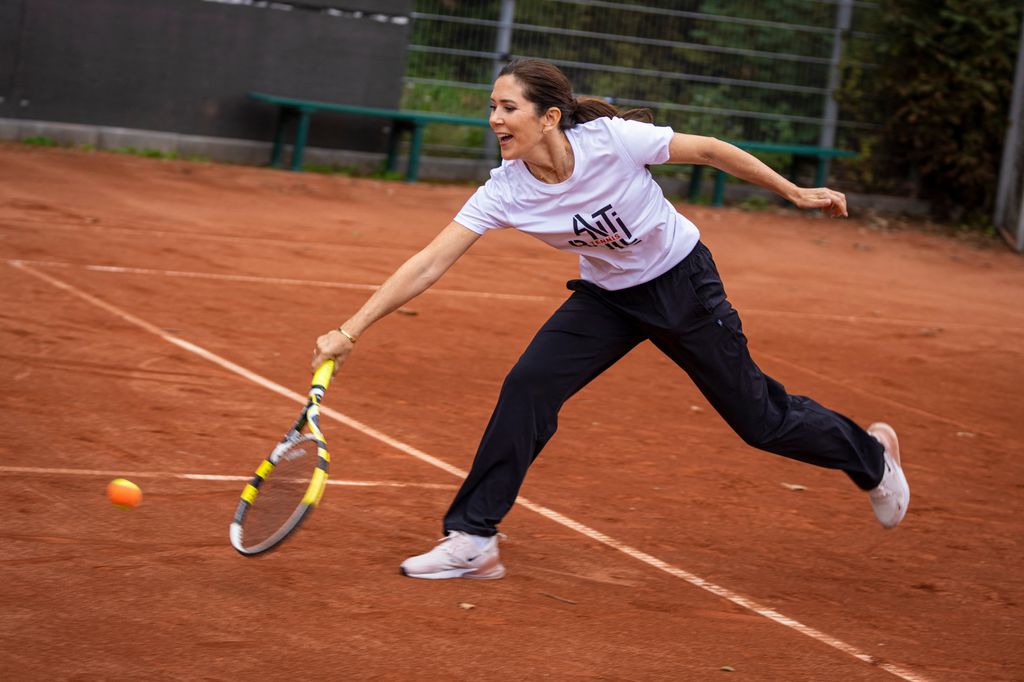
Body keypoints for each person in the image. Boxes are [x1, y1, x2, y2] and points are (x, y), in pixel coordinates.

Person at [311, 58, 909, 581]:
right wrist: (351, 328)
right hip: (608, 299)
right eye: (491, 107)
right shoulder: (506, 190)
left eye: (507, 107)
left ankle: (871, 458)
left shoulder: (611, 140)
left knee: (761, 419)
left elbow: (707, 150)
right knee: (528, 386)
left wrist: (795, 192)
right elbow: (428, 262)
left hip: (683, 285)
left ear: (548, 118)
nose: (494, 119)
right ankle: (473, 539)